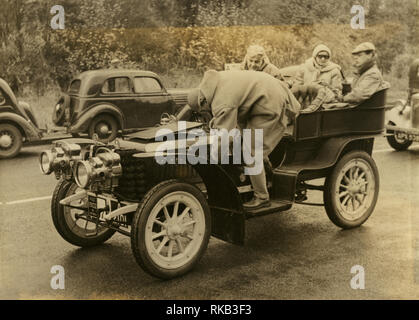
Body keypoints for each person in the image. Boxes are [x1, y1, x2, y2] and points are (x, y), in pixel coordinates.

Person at [187, 70, 301, 210]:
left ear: (203, 101)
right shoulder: (213, 84)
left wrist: (210, 158)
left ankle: (262, 197)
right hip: (261, 96)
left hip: (268, 102)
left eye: (203, 109)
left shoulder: (222, 102)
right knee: (245, 141)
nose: (206, 111)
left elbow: (224, 136)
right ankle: (266, 175)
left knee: (251, 152)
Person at [292, 44, 343, 111]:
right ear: (315, 56)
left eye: (326, 57)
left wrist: (325, 86)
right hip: (305, 101)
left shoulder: (334, 71)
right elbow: (297, 85)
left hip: (323, 104)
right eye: (320, 56)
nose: (323, 59)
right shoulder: (304, 68)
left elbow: (337, 92)